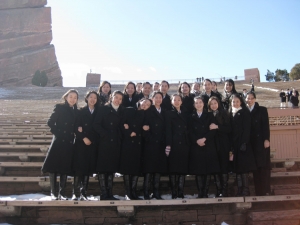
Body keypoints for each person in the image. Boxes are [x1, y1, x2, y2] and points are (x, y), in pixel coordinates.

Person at [42, 89, 79, 200]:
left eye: (75, 97)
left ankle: (62, 193)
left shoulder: (76, 111)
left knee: (65, 167)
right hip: (59, 140)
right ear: (66, 97)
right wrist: (58, 134)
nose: (73, 99)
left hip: (69, 141)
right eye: (71, 96)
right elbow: (50, 122)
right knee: (53, 167)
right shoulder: (59, 107)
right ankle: (54, 192)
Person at [93, 90, 124, 200]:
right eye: (116, 97)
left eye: (120, 99)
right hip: (104, 142)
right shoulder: (103, 109)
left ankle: (110, 193)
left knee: (111, 169)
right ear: (111, 97)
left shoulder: (121, 111)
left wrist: (119, 136)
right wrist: (104, 134)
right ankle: (104, 193)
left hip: (115, 142)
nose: (118, 100)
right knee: (102, 168)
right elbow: (96, 124)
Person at [119, 98, 152, 200]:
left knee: (135, 168)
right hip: (127, 143)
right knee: (127, 168)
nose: (145, 105)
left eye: (148, 104)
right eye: (144, 102)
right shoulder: (128, 109)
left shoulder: (146, 115)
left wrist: (145, 129)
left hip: (138, 144)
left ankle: (133, 192)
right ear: (140, 101)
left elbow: (145, 132)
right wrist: (129, 132)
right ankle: (128, 192)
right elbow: (121, 124)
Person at [188, 96, 220, 198]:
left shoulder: (209, 115)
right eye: (196, 103)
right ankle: (200, 192)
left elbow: (213, 130)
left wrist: (204, 139)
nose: (198, 104)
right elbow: (189, 131)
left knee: (207, 170)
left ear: (204, 103)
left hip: (207, 144)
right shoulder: (191, 116)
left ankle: (205, 192)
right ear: (194, 105)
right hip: (196, 145)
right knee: (198, 170)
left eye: (200, 102)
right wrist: (197, 140)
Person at [72, 91, 98, 201]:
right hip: (81, 143)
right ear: (86, 98)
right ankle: (75, 192)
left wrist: (91, 139)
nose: (93, 99)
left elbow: (98, 127)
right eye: (90, 97)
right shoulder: (81, 111)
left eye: (95, 98)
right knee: (79, 168)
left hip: (92, 143)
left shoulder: (98, 112)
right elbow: (76, 127)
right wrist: (83, 137)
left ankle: (84, 192)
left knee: (87, 169)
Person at [230, 93, 256, 196]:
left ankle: (246, 189)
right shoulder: (230, 113)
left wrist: (244, 142)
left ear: (241, 102)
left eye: (237, 101)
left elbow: (247, 129)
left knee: (243, 168)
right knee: (237, 168)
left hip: (243, 144)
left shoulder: (245, 112)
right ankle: (240, 189)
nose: (235, 103)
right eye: (233, 102)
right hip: (234, 144)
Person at [143, 91, 168, 200]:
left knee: (158, 169)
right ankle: (146, 192)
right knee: (149, 169)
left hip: (160, 144)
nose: (158, 99)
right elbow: (144, 126)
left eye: (160, 97)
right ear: (152, 99)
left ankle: (156, 192)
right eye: (156, 97)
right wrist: (149, 138)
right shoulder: (148, 111)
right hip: (150, 143)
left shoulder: (165, 112)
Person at [246, 92, 271, 196]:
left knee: (263, 167)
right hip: (250, 143)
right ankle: (258, 192)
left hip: (261, 142)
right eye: (248, 98)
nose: (250, 100)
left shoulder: (262, 110)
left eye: (252, 98)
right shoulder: (244, 111)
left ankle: (266, 190)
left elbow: (265, 126)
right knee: (255, 168)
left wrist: (266, 139)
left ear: (255, 99)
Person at [165, 94, 190, 199]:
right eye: (174, 100)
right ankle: (174, 192)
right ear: (171, 101)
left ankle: (180, 191)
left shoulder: (185, 113)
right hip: (174, 143)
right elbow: (168, 130)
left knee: (182, 169)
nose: (177, 102)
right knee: (173, 169)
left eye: (179, 100)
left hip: (184, 143)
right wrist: (169, 144)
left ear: (181, 101)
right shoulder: (169, 113)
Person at [208, 96, 232, 197]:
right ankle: (219, 190)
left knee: (223, 167)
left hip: (223, 144)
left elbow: (229, 128)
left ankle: (225, 189)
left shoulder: (224, 113)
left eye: (215, 103)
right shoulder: (208, 115)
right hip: (212, 144)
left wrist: (218, 127)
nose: (213, 105)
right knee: (215, 167)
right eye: (211, 104)